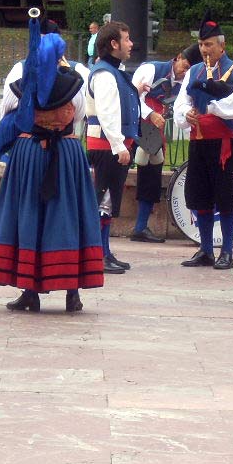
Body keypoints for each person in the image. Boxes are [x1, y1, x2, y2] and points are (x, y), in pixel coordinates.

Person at [0, 18, 103, 312]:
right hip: (67, 151)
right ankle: (72, 292)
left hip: (31, 152)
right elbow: (79, 116)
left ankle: (30, 290)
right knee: (69, 216)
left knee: (29, 214)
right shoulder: (79, 73)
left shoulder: (21, 71)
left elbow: (5, 113)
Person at [173, 19, 233, 270]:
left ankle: (227, 252)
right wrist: (186, 114)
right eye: (200, 44)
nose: (204, 49)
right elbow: (181, 101)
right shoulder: (194, 71)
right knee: (201, 196)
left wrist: (212, 107)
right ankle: (206, 250)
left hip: (224, 145)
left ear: (222, 45)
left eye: (208, 44)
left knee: (225, 196)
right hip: (199, 142)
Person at [85, 20, 144, 274]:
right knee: (103, 201)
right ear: (113, 44)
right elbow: (108, 114)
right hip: (106, 147)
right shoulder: (105, 74)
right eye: (127, 39)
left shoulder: (112, 72)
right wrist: (119, 146)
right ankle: (98, 254)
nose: (131, 44)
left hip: (111, 146)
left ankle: (104, 251)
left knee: (107, 201)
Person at [127, 48, 193, 243]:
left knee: (151, 175)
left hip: (153, 133)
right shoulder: (150, 69)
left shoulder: (184, 84)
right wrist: (150, 114)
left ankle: (140, 227)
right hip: (133, 125)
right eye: (185, 67)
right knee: (118, 171)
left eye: (190, 70)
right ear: (177, 57)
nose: (185, 72)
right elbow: (132, 96)